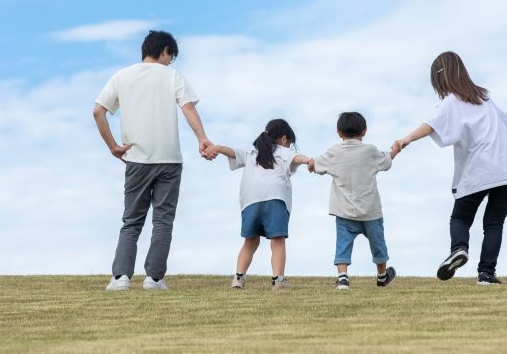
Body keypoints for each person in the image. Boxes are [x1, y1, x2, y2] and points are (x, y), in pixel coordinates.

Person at [392, 51, 507, 285]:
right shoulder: (484, 97)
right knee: (494, 223)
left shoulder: (452, 101)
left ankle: (459, 248)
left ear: (440, 77)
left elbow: (430, 124)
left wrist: (405, 139)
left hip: (481, 168)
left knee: (460, 217)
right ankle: (486, 274)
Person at [93, 30, 214, 291]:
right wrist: (202, 138)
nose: (170, 62)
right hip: (169, 160)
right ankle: (154, 279)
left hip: (136, 158)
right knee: (163, 221)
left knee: (132, 220)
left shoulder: (122, 76)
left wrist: (113, 146)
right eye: (171, 57)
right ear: (165, 51)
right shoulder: (173, 76)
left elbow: (98, 111)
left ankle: (120, 278)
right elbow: (188, 108)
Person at [203, 119, 310, 290]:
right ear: (284, 139)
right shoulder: (283, 150)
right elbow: (296, 157)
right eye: (289, 143)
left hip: (250, 201)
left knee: (250, 241)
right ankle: (278, 280)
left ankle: (238, 278)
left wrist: (217, 148)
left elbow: (232, 152)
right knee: (277, 240)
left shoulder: (252, 153)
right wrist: (309, 161)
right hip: (275, 197)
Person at [308, 112, 400, 290]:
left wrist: (311, 164)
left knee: (343, 244)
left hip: (344, 211)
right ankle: (382, 276)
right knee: (378, 244)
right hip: (370, 211)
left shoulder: (334, 152)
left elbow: (316, 165)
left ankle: (343, 278)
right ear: (364, 131)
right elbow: (386, 161)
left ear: (339, 132)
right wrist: (396, 149)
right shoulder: (370, 151)